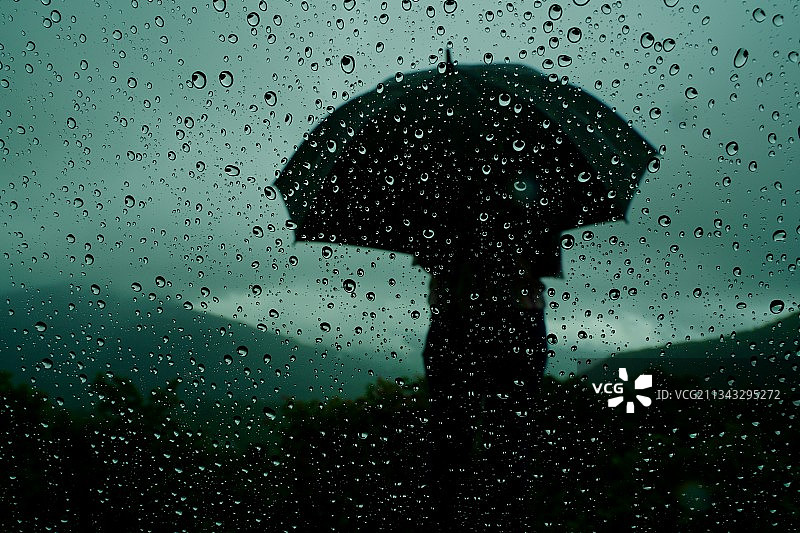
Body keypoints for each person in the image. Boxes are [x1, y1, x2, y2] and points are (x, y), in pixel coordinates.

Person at [417, 208, 559, 531]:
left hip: (468, 319)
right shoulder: (537, 188)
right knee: (501, 442)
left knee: (458, 442)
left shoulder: (443, 188)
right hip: (504, 321)